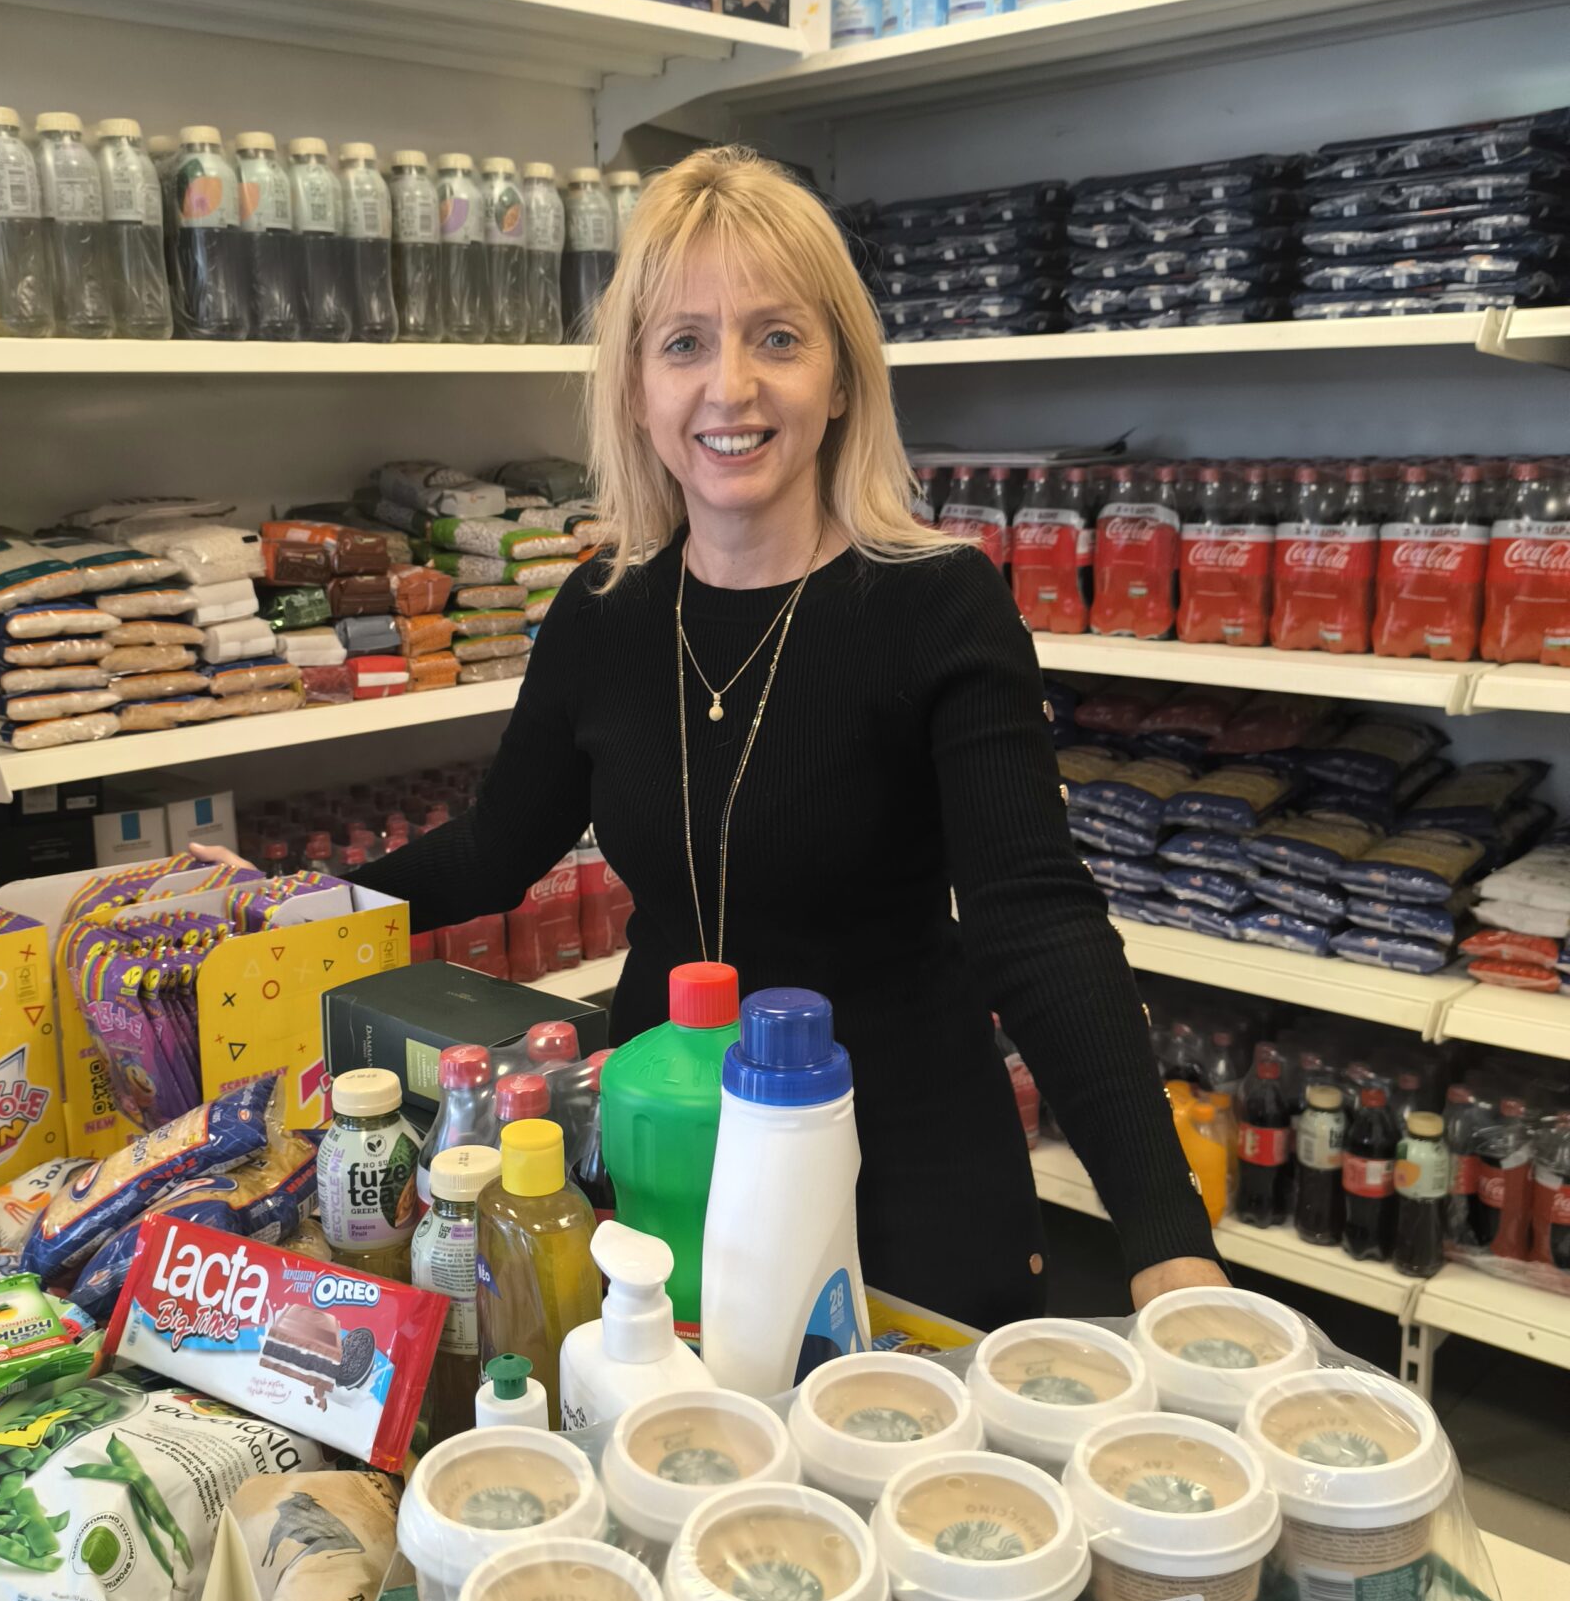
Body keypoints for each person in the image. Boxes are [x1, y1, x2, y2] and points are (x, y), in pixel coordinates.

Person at [234, 147, 1225, 1326]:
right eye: (685, 343)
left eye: (778, 338)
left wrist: (1167, 1241)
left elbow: (1037, 921)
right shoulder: (605, 612)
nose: (731, 387)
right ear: (637, 388)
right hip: (664, 1165)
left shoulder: (938, 605)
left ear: (841, 379)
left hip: (901, 1176)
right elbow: (497, 848)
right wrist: (279, 907)